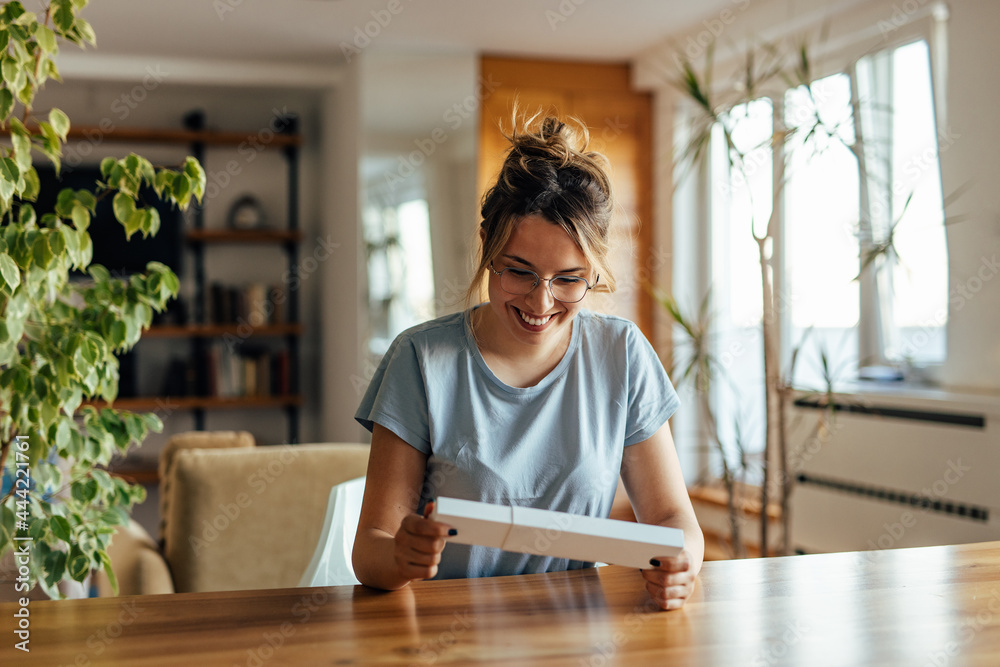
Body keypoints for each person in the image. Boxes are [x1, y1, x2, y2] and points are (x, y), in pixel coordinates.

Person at [353, 113, 704, 610]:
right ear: (487, 246)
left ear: (594, 271)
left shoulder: (621, 354)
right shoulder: (420, 359)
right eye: (519, 271)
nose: (541, 303)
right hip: (449, 638)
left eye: (568, 278)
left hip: (577, 637)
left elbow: (674, 519)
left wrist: (683, 561)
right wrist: (401, 557)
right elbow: (370, 550)